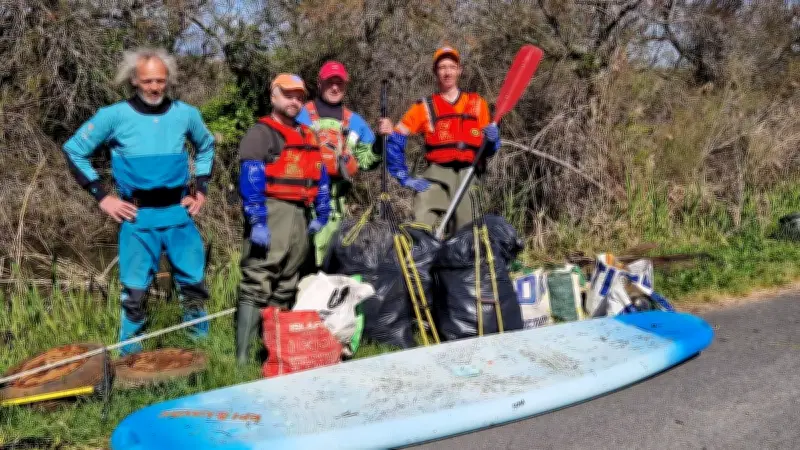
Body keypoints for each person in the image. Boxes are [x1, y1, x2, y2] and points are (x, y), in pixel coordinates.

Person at [61, 48, 216, 356]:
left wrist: (201, 189)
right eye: (147, 81)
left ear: (168, 80)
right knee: (134, 291)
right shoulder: (112, 116)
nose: (155, 87)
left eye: (160, 80)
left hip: (178, 213)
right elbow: (74, 150)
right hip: (137, 217)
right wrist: (102, 197)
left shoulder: (187, 114)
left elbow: (206, 146)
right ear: (134, 80)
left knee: (194, 283)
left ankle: (203, 347)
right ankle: (129, 353)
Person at [235, 73, 331, 364]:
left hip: (301, 214)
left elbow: (320, 173)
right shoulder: (262, 132)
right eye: (288, 94)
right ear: (273, 96)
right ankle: (242, 359)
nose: (294, 101)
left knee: (288, 281)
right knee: (258, 278)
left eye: (299, 96)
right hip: (272, 209)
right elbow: (251, 176)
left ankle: (271, 352)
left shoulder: (307, 134)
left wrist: (322, 210)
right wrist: (257, 219)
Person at [378, 46, 501, 236]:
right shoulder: (424, 107)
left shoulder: (477, 104)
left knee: (466, 236)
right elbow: (396, 139)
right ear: (435, 72)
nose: (447, 72)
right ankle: (420, 263)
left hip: (468, 176)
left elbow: (487, 148)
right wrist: (404, 176)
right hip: (435, 176)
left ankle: (463, 264)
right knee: (421, 227)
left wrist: (493, 141)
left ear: (459, 70)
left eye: (452, 67)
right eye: (442, 67)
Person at [296, 61, 380, 268]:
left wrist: (380, 144)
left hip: (335, 205)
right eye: (329, 82)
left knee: (325, 264)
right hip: (300, 202)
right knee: (296, 261)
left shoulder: (356, 122)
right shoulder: (301, 115)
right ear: (319, 84)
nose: (335, 88)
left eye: (339, 83)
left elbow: (367, 161)